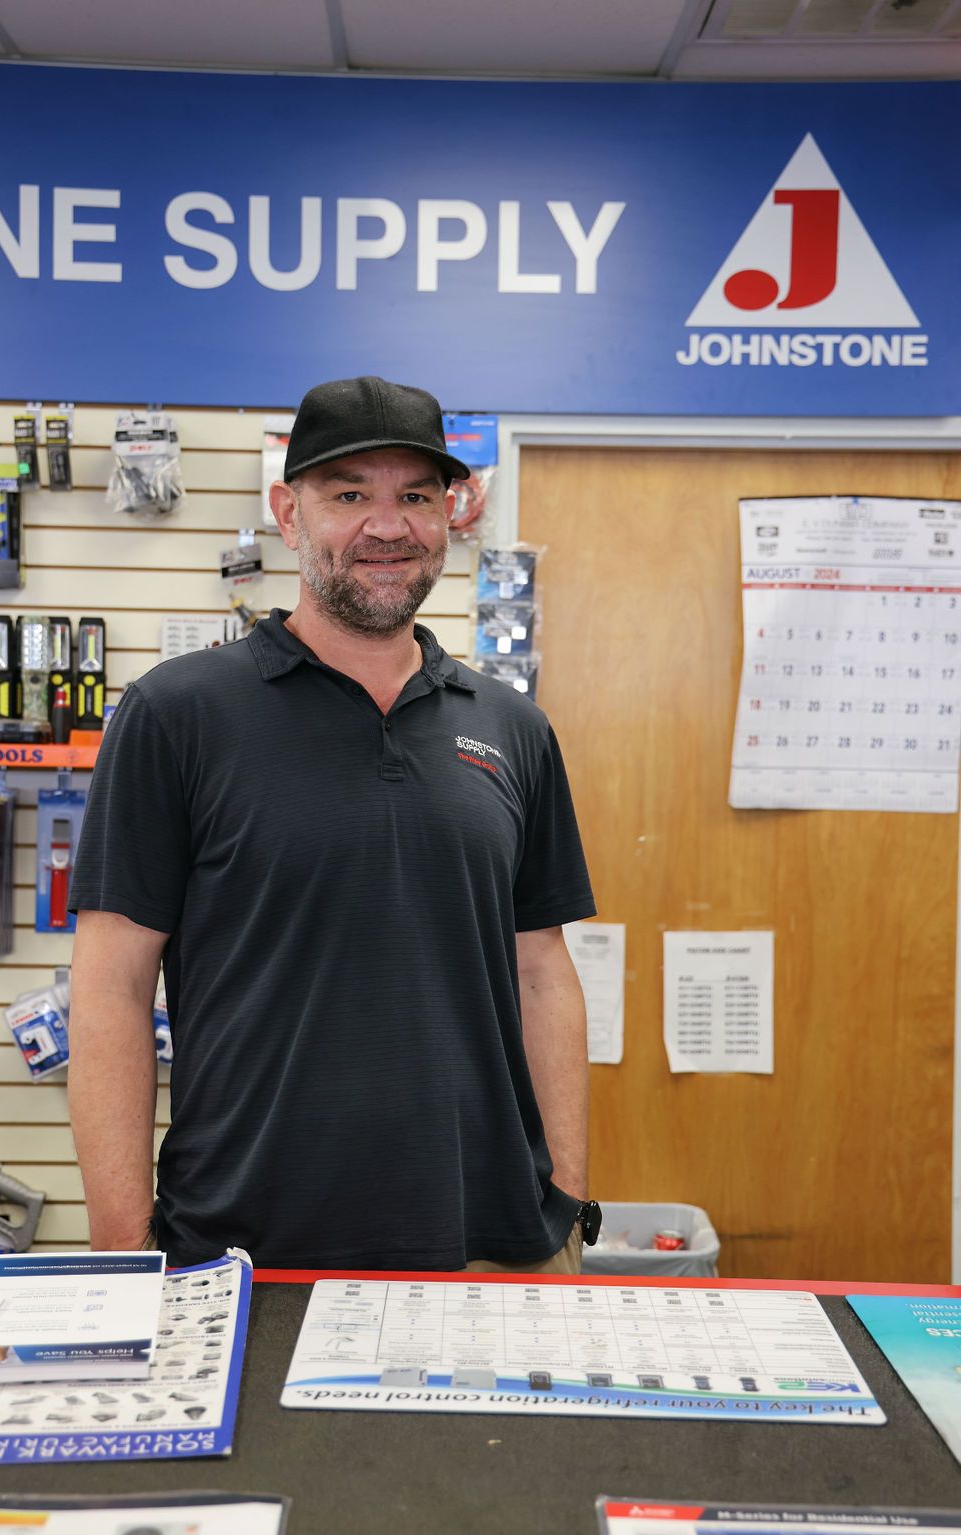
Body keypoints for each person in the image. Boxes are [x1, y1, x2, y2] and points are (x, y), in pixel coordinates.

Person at [67, 375, 599, 1272]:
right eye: (349, 494)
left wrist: (565, 1215)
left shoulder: (514, 727)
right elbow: (112, 988)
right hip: (242, 1251)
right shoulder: (176, 713)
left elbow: (542, 974)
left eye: (415, 497)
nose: (386, 527)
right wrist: (125, 1249)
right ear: (288, 511)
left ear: (451, 514)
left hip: (487, 1245)